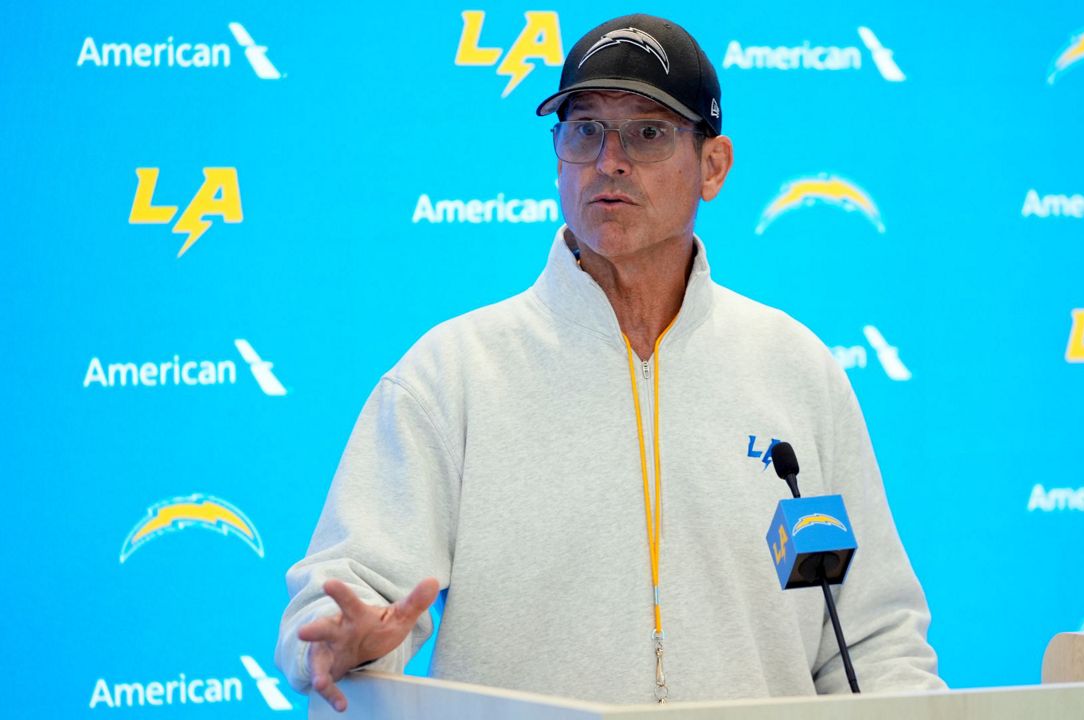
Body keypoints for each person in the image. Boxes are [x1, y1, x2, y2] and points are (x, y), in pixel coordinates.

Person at [275, 13, 944, 712]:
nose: (609, 159)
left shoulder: (795, 371)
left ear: (713, 165)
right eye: (585, 129)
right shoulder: (453, 374)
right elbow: (346, 597)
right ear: (557, 154)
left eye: (648, 132)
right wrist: (335, 640)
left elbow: (871, 638)